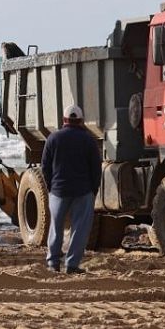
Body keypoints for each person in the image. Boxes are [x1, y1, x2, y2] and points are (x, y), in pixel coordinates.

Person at [41, 104, 101, 273]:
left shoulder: (53, 138)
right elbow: (96, 169)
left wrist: (51, 187)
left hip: (58, 191)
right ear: (81, 121)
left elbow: (45, 166)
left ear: (64, 120)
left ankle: (53, 262)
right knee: (79, 229)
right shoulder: (89, 140)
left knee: (56, 226)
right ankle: (72, 264)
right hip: (83, 191)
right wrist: (93, 191)